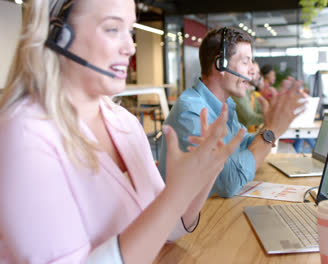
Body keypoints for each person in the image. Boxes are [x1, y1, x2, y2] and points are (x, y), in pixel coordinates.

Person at [0, 0, 244, 263]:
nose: (130, 47)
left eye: (130, 30)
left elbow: (165, 228)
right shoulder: (24, 135)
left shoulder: (122, 122)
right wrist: (174, 197)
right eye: (112, 29)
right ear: (57, 34)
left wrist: (206, 171)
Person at [158, 27, 305, 198]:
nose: (252, 71)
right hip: (191, 219)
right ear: (221, 64)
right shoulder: (191, 113)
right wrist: (272, 131)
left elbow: (242, 144)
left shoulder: (224, 104)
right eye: (245, 61)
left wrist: (270, 127)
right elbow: (230, 182)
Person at [232, 60, 265, 132]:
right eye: (257, 72)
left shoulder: (250, 93)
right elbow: (250, 118)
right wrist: (271, 118)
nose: (259, 76)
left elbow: (261, 110)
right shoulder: (240, 92)